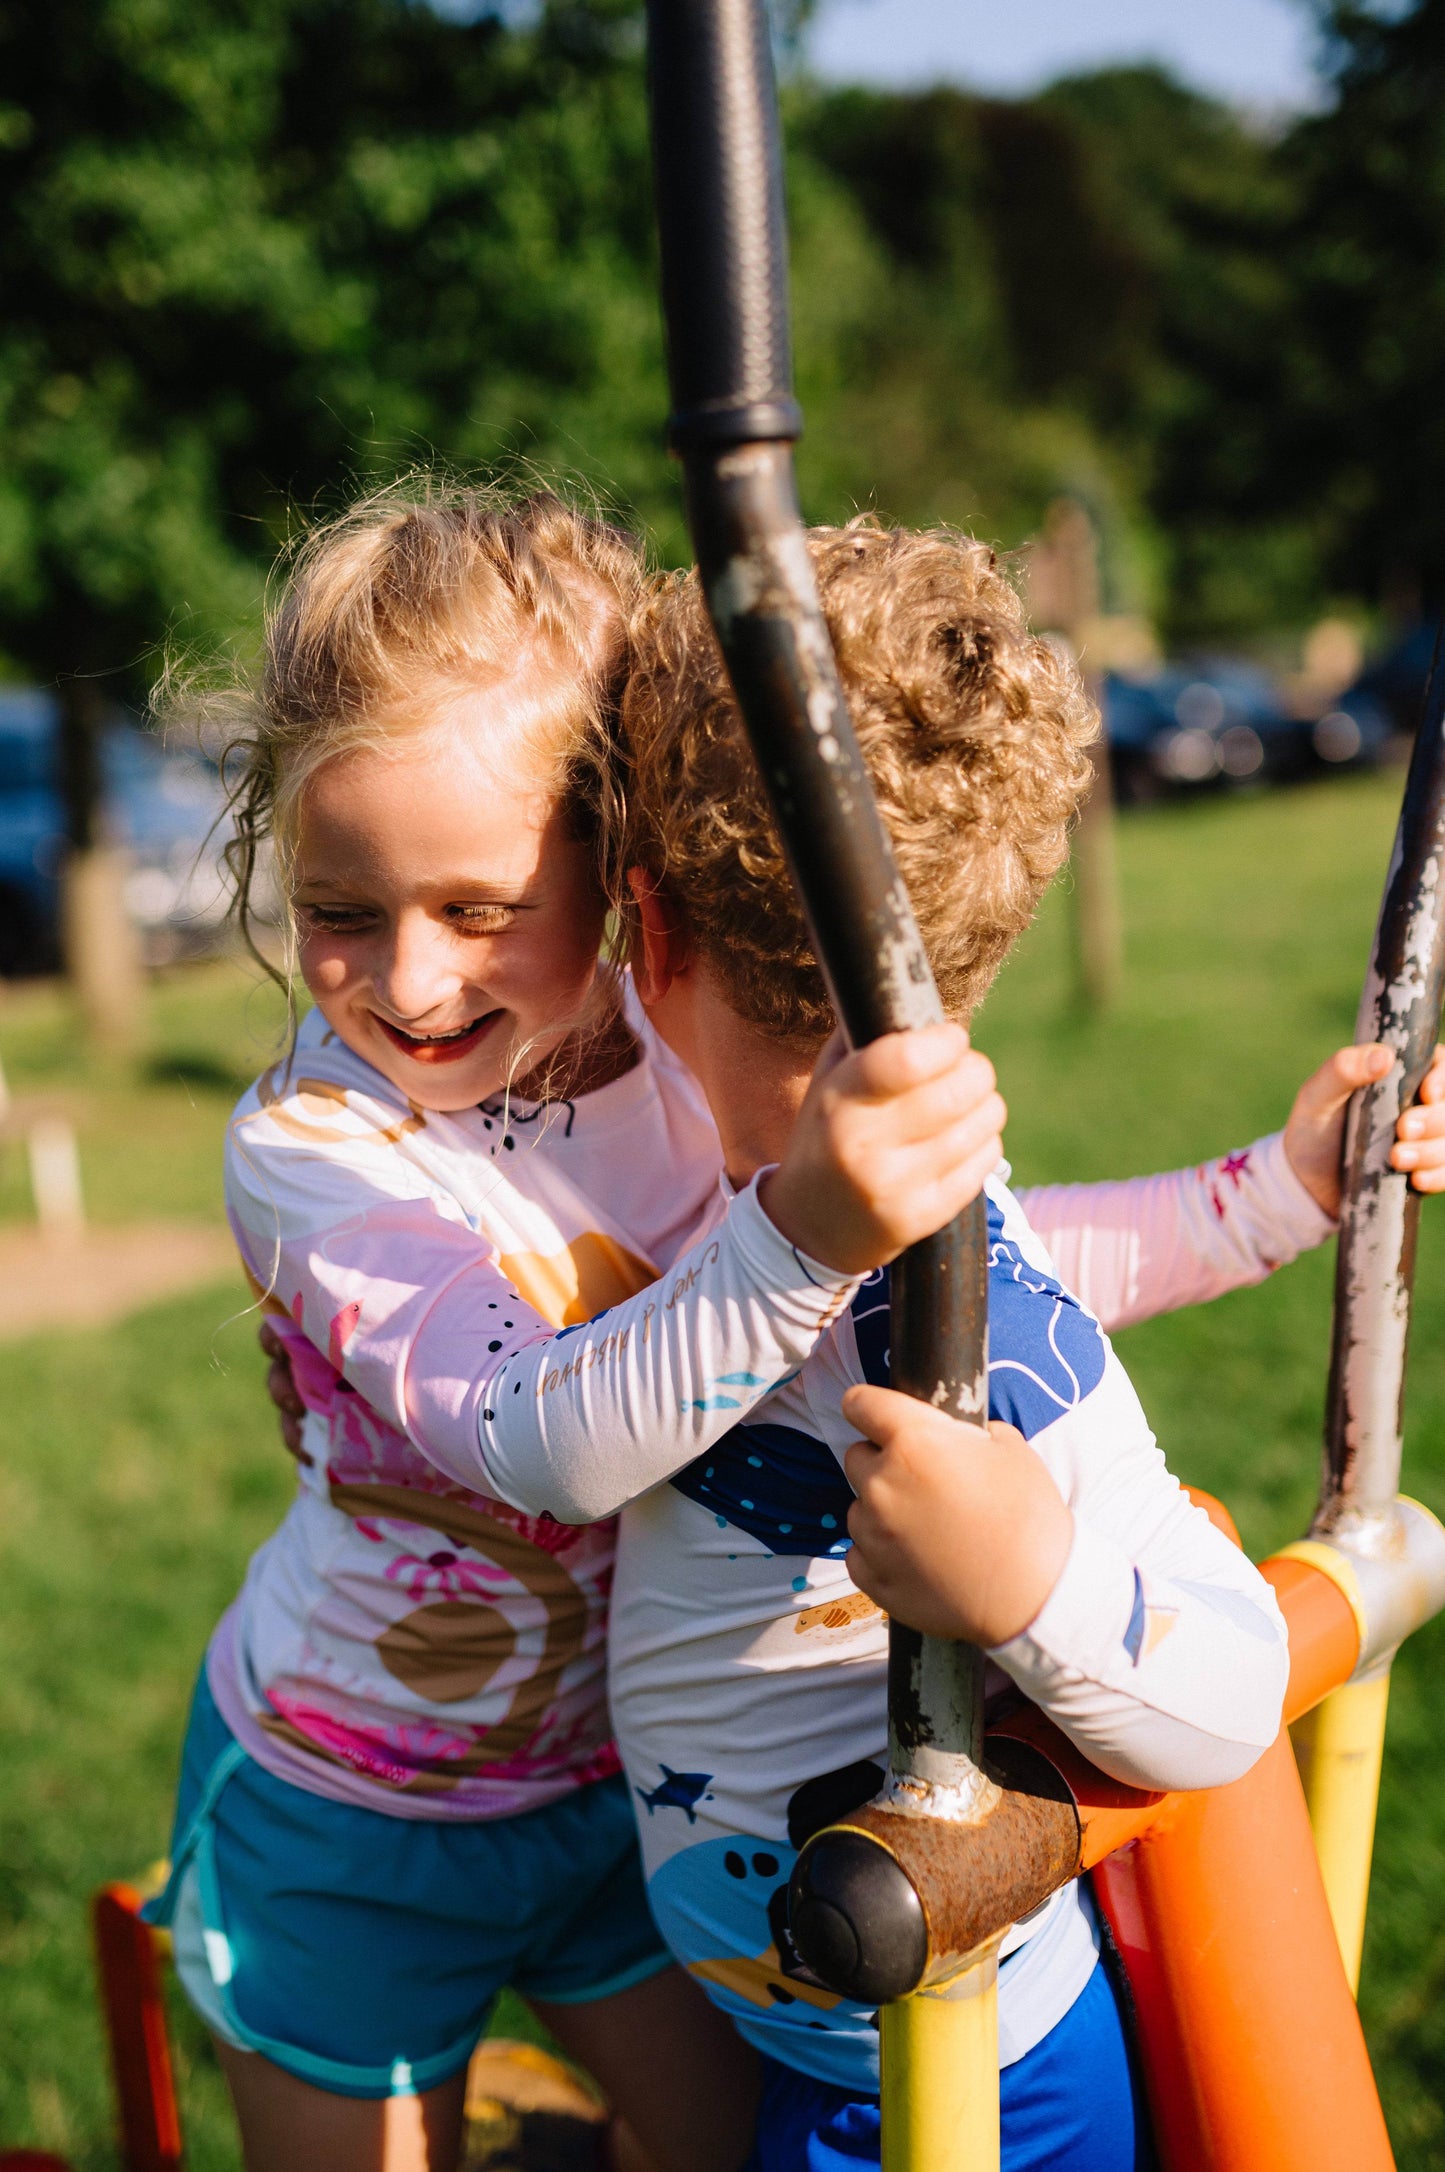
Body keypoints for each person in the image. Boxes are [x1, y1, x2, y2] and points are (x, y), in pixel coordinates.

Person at [439, 519, 1445, 2172]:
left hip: (956, 2081)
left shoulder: (961, 1331)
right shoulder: (780, 1211)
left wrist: (1030, 1581)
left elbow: (1231, 1692)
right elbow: (1059, 1241)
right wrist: (1272, 1195)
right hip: (798, 2021)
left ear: (651, 934)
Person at [149, 484, 1007, 2172]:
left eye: (477, 911)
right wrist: (801, 1232)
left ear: (619, 868)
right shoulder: (314, 1150)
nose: (404, 983)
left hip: (631, 1797)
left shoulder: (677, 1050)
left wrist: (1274, 1188)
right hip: (346, 1815)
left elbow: (978, 1264)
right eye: (338, 909)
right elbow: (547, 1443)